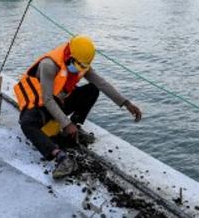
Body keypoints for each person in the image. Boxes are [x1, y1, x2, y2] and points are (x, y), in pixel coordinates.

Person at [14, 35, 143, 179]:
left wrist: (126, 103)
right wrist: (66, 123)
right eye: (79, 65)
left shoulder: (81, 63)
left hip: (60, 101)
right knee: (26, 123)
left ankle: (76, 128)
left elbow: (102, 83)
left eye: (84, 66)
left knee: (92, 89)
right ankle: (60, 156)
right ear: (70, 55)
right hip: (42, 105)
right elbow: (47, 99)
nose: (80, 69)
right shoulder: (49, 65)